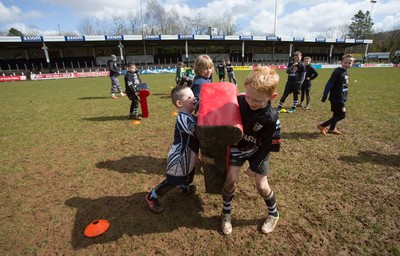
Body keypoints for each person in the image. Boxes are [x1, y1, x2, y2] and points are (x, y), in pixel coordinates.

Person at [221, 66, 281, 235]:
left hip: (258, 151)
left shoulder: (271, 117)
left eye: (257, 100)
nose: (250, 102)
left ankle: (273, 214)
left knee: (262, 186)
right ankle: (226, 213)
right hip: (238, 147)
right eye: (248, 96)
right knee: (230, 180)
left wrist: (254, 167)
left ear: (271, 97)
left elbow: (269, 146)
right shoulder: (240, 100)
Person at [145, 86, 199, 212]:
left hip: (189, 155)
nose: (194, 99)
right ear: (179, 103)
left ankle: (185, 187)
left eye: (193, 96)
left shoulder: (190, 116)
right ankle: (152, 197)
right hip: (180, 158)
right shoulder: (183, 119)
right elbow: (197, 131)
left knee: (190, 172)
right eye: (189, 97)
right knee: (172, 181)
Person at [317, 54, 355, 136]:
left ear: (352, 63)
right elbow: (329, 84)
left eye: (350, 63)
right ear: (342, 62)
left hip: (341, 97)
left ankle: (332, 129)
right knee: (342, 115)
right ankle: (322, 126)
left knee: (336, 114)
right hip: (336, 98)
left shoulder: (346, 72)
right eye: (345, 62)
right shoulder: (337, 72)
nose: (347, 64)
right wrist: (324, 96)